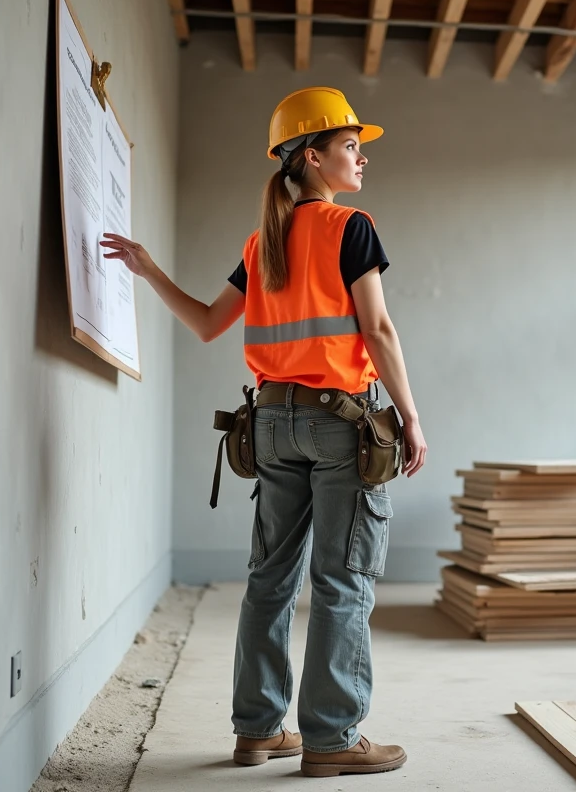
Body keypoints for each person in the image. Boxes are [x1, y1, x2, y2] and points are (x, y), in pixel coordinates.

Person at [100, 86, 425, 778]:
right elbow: (379, 329)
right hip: (341, 427)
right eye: (348, 146)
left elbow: (206, 323)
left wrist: (150, 269)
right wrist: (412, 418)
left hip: (269, 426)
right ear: (312, 156)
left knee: (269, 580)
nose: (360, 157)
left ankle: (257, 732)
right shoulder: (351, 228)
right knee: (342, 582)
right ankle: (331, 740)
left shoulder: (263, 241)